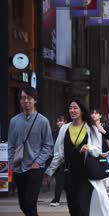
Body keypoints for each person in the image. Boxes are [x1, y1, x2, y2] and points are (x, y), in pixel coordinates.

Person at [45, 99, 109, 216]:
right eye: (70, 108)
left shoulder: (91, 128)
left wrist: (89, 147)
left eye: (75, 108)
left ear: (82, 110)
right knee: (73, 208)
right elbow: (59, 153)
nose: (72, 110)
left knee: (83, 208)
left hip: (86, 175)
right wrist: (49, 171)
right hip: (69, 174)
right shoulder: (64, 129)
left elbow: (98, 150)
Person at [8, 87, 54, 216]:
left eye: (29, 98)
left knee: (30, 203)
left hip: (35, 168)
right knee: (23, 204)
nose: (26, 101)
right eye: (23, 98)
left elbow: (48, 146)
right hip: (18, 167)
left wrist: (38, 162)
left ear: (35, 100)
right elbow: (11, 144)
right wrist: (11, 162)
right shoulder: (14, 121)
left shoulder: (43, 121)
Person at [50, 116, 67, 207]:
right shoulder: (54, 133)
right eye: (58, 121)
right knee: (59, 181)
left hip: (67, 160)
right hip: (57, 159)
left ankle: (57, 199)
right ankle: (56, 199)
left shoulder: (69, 132)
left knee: (67, 181)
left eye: (61, 121)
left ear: (65, 122)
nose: (59, 123)